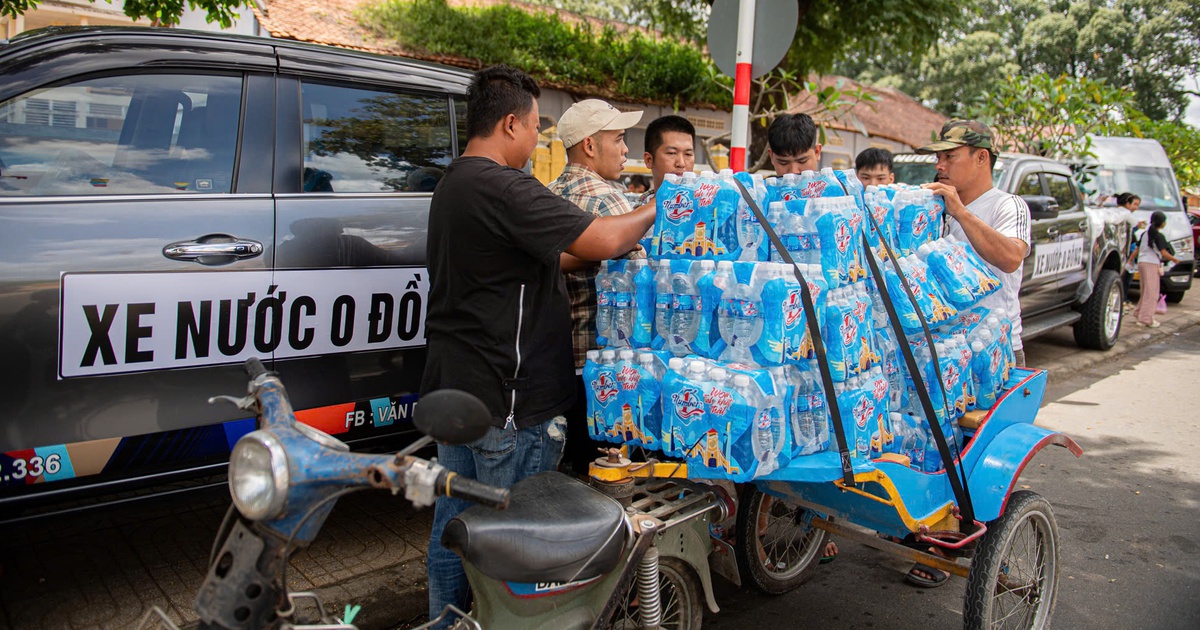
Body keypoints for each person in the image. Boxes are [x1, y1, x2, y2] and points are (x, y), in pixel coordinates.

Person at [421, 65, 655, 628]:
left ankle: (447, 622)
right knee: (514, 549)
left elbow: (555, 255)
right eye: (533, 127)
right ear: (508, 124)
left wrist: (600, 244)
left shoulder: (456, 183)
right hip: (509, 402)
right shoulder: (505, 187)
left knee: (456, 525)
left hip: (459, 389)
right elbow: (605, 236)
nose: (536, 141)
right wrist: (664, 202)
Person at [904, 120, 1030, 588]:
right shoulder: (934, 204)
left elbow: (1012, 256)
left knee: (976, 449)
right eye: (937, 157)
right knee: (933, 440)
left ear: (981, 157)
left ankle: (972, 544)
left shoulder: (1007, 205)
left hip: (992, 348)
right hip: (938, 345)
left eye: (949, 156)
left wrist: (960, 212)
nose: (940, 164)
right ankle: (933, 530)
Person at [547, 98, 649, 475]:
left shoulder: (546, 193)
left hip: (557, 366)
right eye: (619, 139)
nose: (626, 150)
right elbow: (642, 278)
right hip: (602, 370)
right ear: (589, 146)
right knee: (604, 476)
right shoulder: (608, 201)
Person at [1130, 210, 1180, 328]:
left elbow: (1137, 250)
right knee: (1152, 293)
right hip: (1151, 264)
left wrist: (1129, 261)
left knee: (1145, 290)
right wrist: (1174, 260)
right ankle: (1146, 319)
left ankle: (1139, 313)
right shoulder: (1158, 236)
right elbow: (1163, 252)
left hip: (1142, 263)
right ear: (1162, 223)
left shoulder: (1145, 234)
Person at [640, 114, 696, 204]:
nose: (681, 163)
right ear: (649, 160)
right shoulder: (631, 213)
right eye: (672, 153)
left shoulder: (708, 210)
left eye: (688, 154)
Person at [1116, 192, 1146, 308]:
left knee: (1127, 277)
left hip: (1129, 250)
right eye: (1134, 204)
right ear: (1128, 203)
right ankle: (1123, 300)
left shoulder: (1126, 217)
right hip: (1126, 252)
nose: (1136, 208)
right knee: (1125, 277)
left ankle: (1124, 299)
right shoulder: (1123, 216)